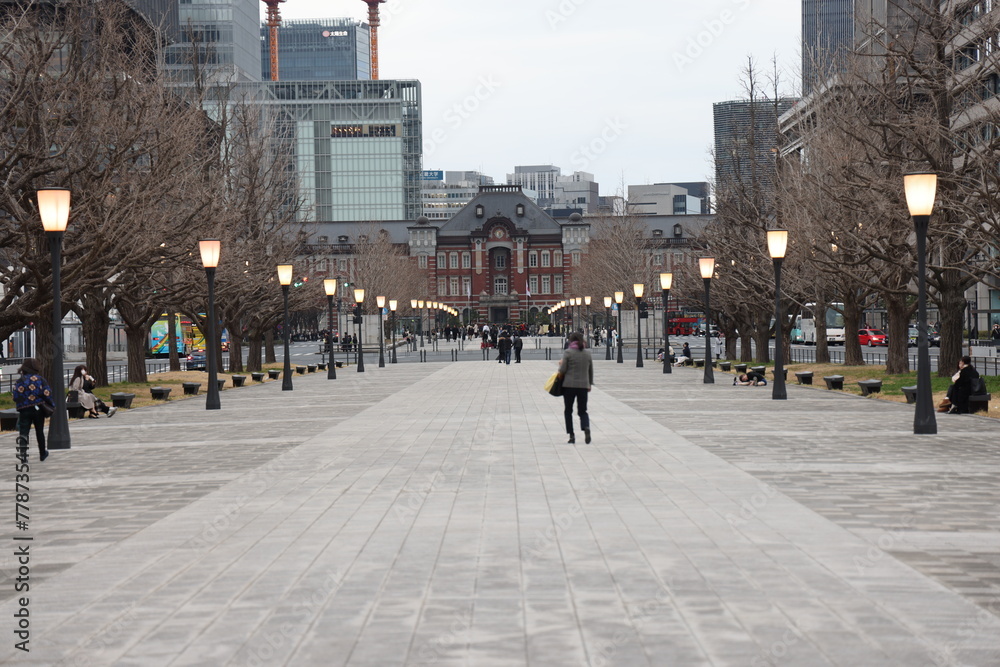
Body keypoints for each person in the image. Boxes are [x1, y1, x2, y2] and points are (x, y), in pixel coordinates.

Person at [13, 359, 54, 461]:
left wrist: (22, 402)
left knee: (23, 432)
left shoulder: (20, 381)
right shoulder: (40, 379)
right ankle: (42, 453)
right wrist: (51, 405)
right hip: (38, 409)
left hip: (24, 409)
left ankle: (23, 455)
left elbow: (15, 396)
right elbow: (47, 393)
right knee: (39, 431)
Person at [557, 332, 593, 444]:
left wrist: (560, 366)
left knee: (568, 411)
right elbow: (590, 370)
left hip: (569, 385)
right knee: (583, 410)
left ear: (571, 341)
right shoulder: (587, 353)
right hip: (583, 385)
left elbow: (563, 370)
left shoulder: (568, 352)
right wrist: (589, 384)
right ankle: (585, 426)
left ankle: (571, 435)